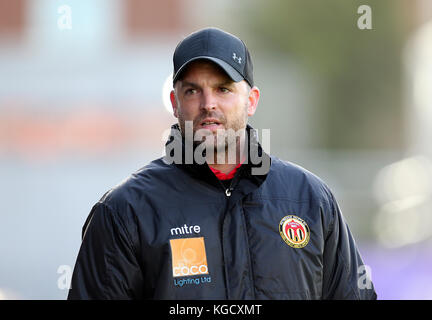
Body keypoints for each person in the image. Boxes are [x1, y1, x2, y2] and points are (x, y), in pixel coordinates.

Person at [67, 27, 377, 300]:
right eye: (192, 90)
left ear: (251, 100)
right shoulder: (125, 211)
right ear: (175, 104)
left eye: (223, 88)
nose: (208, 104)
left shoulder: (310, 200)